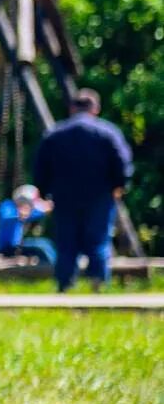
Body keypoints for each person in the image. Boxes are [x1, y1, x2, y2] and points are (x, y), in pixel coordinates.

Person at [33, 89, 133, 292]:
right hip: (99, 195)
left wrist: (44, 192)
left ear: (72, 108)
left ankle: (64, 284)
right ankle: (97, 283)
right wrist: (119, 185)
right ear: (95, 108)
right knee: (98, 240)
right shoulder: (107, 132)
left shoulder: (55, 134)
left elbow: (40, 166)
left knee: (66, 241)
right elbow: (121, 162)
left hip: (64, 196)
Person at [0, 183, 56, 267]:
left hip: (18, 246)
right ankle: (48, 270)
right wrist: (19, 215)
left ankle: (55, 265)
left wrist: (47, 208)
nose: (30, 207)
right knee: (39, 248)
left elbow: (37, 213)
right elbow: (7, 217)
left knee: (45, 243)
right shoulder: (8, 205)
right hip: (8, 248)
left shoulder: (24, 210)